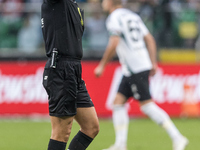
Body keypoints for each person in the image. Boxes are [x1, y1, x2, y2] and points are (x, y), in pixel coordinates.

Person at [94, 0, 188, 150]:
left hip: (134, 67)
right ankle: (120, 145)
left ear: (111, 2)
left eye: (104, 0)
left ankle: (178, 137)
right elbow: (149, 39)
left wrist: (102, 65)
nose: (103, 3)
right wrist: (153, 62)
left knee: (147, 106)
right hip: (137, 65)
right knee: (118, 103)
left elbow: (114, 42)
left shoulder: (113, 18)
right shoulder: (132, 16)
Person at [41, 0, 99, 150]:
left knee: (91, 127)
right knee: (62, 132)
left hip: (74, 69)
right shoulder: (57, 3)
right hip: (61, 68)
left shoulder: (73, 5)